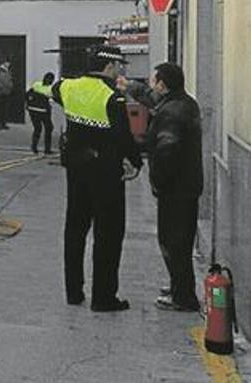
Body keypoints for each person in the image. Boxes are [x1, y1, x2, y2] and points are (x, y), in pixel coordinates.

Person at [52, 46, 142, 312]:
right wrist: (136, 162)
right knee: (108, 235)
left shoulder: (67, 87)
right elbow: (124, 138)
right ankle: (103, 297)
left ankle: (74, 292)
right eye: (119, 67)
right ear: (109, 67)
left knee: (75, 230)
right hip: (106, 173)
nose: (121, 72)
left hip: (76, 170)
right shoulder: (112, 97)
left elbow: (55, 90)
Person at [122, 63, 202, 312]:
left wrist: (158, 182)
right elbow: (150, 98)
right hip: (186, 185)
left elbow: (167, 151)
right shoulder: (183, 102)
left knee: (173, 241)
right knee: (180, 240)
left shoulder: (171, 113)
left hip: (175, 188)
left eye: (153, 81)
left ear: (163, 84)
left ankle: (183, 297)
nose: (151, 85)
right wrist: (129, 86)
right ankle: (179, 285)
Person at [26, 72, 56, 154]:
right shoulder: (50, 88)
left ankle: (34, 147)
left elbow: (28, 94)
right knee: (49, 128)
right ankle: (47, 149)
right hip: (43, 111)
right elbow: (53, 98)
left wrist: (27, 105)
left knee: (37, 129)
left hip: (33, 110)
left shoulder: (36, 84)